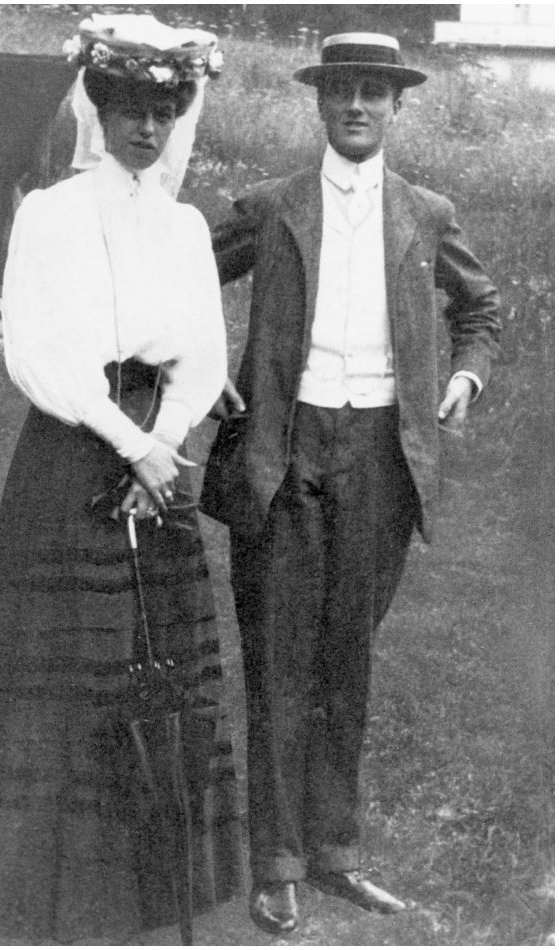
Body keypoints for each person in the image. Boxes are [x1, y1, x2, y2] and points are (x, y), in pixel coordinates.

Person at [0, 14, 242, 944]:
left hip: (165, 457)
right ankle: (49, 896)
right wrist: (129, 444)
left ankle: (151, 891)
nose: (146, 128)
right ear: (98, 109)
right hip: (74, 455)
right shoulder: (50, 213)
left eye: (163, 109)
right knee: (72, 674)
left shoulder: (185, 224)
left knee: (156, 674)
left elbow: (201, 353)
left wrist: (168, 444)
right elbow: (39, 354)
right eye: (130, 109)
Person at [201, 32, 501, 934]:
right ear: (320, 104)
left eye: (375, 92)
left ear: (397, 105)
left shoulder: (427, 211)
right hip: (284, 448)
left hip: (382, 455)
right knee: (280, 655)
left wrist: (462, 376)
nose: (359, 107)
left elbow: (479, 310)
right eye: (343, 92)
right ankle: (277, 863)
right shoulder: (273, 204)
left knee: (347, 659)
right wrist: (206, 363)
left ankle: (337, 853)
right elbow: (183, 275)